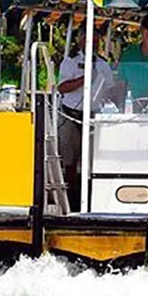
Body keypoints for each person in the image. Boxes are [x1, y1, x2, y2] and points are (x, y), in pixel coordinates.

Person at [57, 24, 113, 211]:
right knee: (70, 160)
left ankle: (90, 198)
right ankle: (71, 199)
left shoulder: (104, 64)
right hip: (71, 114)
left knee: (92, 160)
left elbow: (111, 90)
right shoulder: (70, 61)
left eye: (96, 40)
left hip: (94, 116)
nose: (92, 43)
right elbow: (62, 87)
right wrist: (84, 79)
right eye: (88, 38)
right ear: (80, 39)